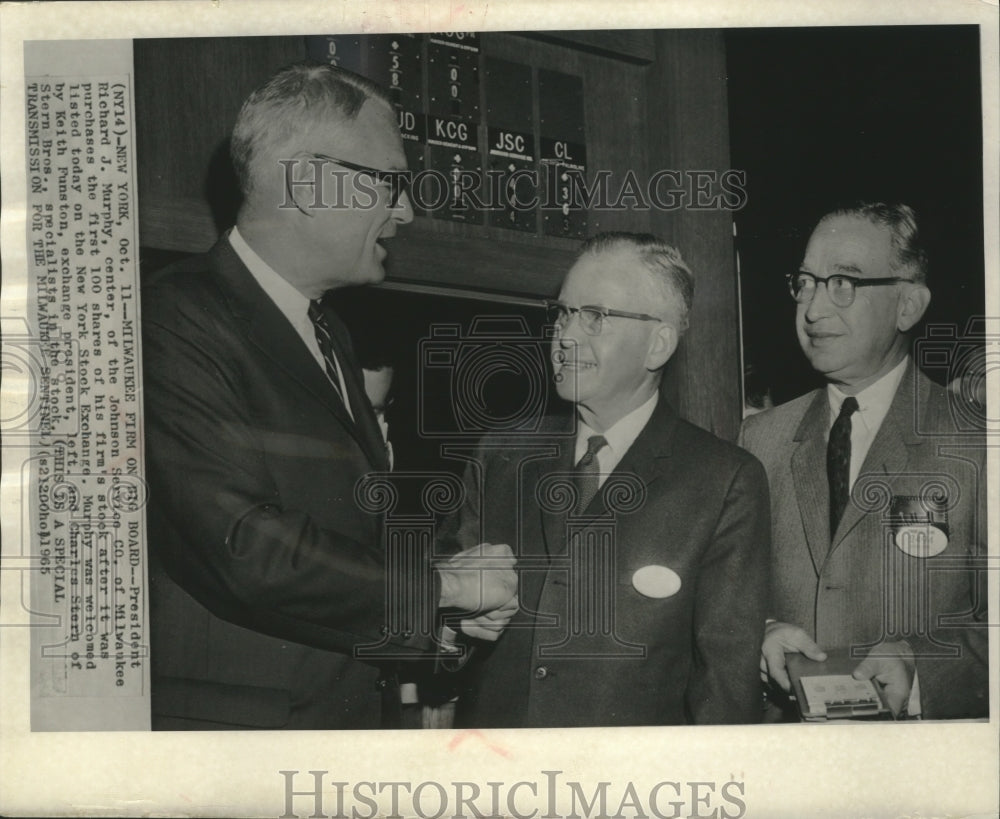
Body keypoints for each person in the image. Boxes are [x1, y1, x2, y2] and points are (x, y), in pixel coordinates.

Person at [142, 62, 516, 730]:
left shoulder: (328, 333)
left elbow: (343, 543)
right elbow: (244, 544)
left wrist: (442, 614)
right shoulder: (172, 317)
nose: (405, 209)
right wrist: (446, 587)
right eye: (391, 183)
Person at [442, 232, 771, 727]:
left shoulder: (723, 480)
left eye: (594, 316)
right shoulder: (502, 454)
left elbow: (724, 687)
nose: (565, 336)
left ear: (658, 344)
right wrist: (453, 627)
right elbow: (441, 618)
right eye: (562, 313)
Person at [741, 202, 988, 719]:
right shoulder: (759, 439)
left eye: (843, 283)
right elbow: (724, 596)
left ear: (908, 306)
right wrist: (758, 633)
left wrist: (923, 665)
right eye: (805, 282)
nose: (812, 309)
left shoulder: (976, 442)